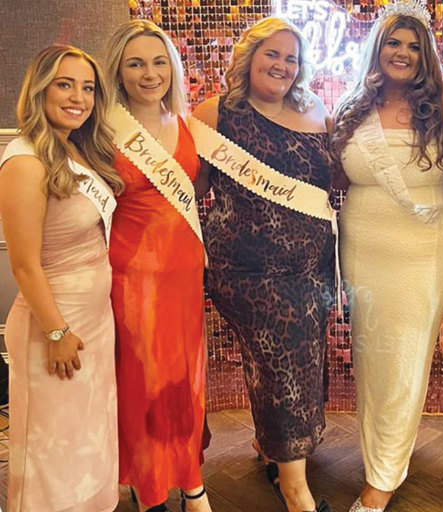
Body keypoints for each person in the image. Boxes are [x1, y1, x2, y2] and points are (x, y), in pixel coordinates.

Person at [331, 3, 443, 510]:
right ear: (378, 48)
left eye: (414, 46)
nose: (403, 54)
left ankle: (383, 478)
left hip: (422, 255)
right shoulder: (351, 106)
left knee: (405, 360)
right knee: (373, 360)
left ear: (426, 55)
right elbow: (335, 181)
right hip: (364, 253)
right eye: (394, 43)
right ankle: (384, 453)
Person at [191, 16, 334, 512]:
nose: (282, 65)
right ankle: (296, 491)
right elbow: (193, 189)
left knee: (296, 363)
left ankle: (272, 446)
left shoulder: (315, 109)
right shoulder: (217, 115)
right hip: (249, 270)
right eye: (272, 54)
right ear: (248, 57)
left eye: (291, 58)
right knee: (281, 363)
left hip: (314, 267)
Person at [0, 44, 123, 512]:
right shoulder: (24, 160)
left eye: (87, 87)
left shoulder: (74, 147)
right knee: (51, 448)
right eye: (64, 84)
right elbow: (24, 264)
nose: (78, 97)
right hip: (55, 324)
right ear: (40, 90)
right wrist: (56, 332)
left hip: (92, 320)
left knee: (86, 437)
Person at [104, 20, 210, 512]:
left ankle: (191, 481)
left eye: (159, 61)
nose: (150, 73)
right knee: (143, 380)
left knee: (186, 378)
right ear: (118, 73)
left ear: (173, 66)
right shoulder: (103, 128)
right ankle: (147, 488)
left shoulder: (188, 125)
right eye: (136, 63)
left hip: (185, 275)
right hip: (133, 278)